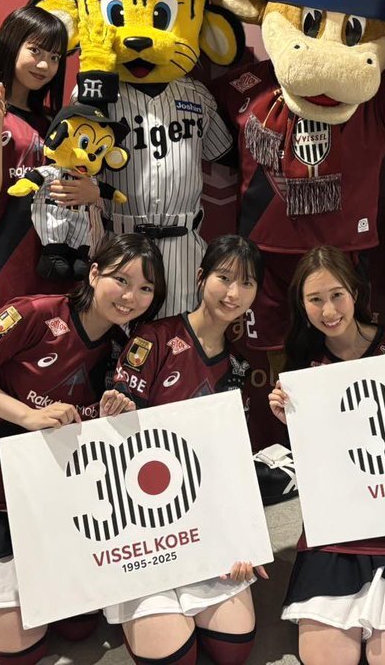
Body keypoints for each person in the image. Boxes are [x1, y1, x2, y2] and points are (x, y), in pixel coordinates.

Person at [0, 234, 165, 665]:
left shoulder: (124, 348)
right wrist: (27, 416)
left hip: (52, 499)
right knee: (21, 648)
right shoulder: (34, 313)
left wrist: (117, 412)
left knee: (80, 628)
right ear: (94, 273)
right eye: (121, 280)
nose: (131, 296)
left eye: (146, 288)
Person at [268, 246, 385, 665]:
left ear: (354, 292)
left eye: (337, 295)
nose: (329, 310)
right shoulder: (302, 364)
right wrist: (288, 422)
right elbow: (318, 462)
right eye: (315, 299)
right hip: (336, 527)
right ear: (302, 305)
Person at [107, 234, 266, 665]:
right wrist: (115, 411)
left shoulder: (240, 365)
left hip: (202, 517)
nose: (233, 293)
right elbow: (117, 441)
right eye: (224, 277)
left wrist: (241, 539)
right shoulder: (155, 338)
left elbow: (231, 462)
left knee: (234, 650)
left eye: (247, 283)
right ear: (200, 278)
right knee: (175, 657)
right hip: (141, 519)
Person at [0, 6, 98, 320]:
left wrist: (92, 193)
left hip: (64, 280)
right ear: (11, 43)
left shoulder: (56, 122)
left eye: (55, 57)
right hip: (7, 281)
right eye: (35, 50)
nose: (45, 65)